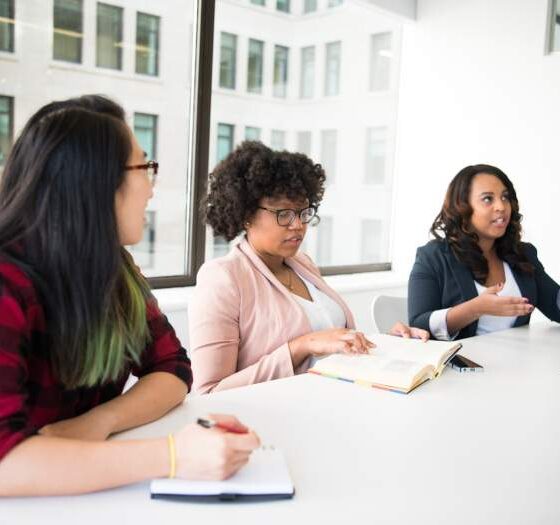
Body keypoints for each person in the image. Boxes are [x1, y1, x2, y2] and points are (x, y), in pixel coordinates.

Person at [0, 95, 259, 497]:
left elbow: (173, 369)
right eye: (144, 167)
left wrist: (99, 422)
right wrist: (173, 456)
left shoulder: (114, 270)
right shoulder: (7, 284)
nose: (151, 191)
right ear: (97, 182)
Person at [190, 141, 428, 394]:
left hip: (338, 401)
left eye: (303, 212)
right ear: (246, 214)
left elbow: (332, 345)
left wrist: (387, 344)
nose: (298, 225)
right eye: (283, 213)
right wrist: (301, 346)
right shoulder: (223, 278)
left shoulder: (303, 264)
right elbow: (210, 391)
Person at [408, 164, 560, 340]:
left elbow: (554, 304)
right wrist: (476, 308)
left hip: (518, 363)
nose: (501, 206)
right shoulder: (433, 257)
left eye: (505, 197)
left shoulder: (522, 254)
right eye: (488, 199)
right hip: (462, 364)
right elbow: (418, 324)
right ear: (462, 207)